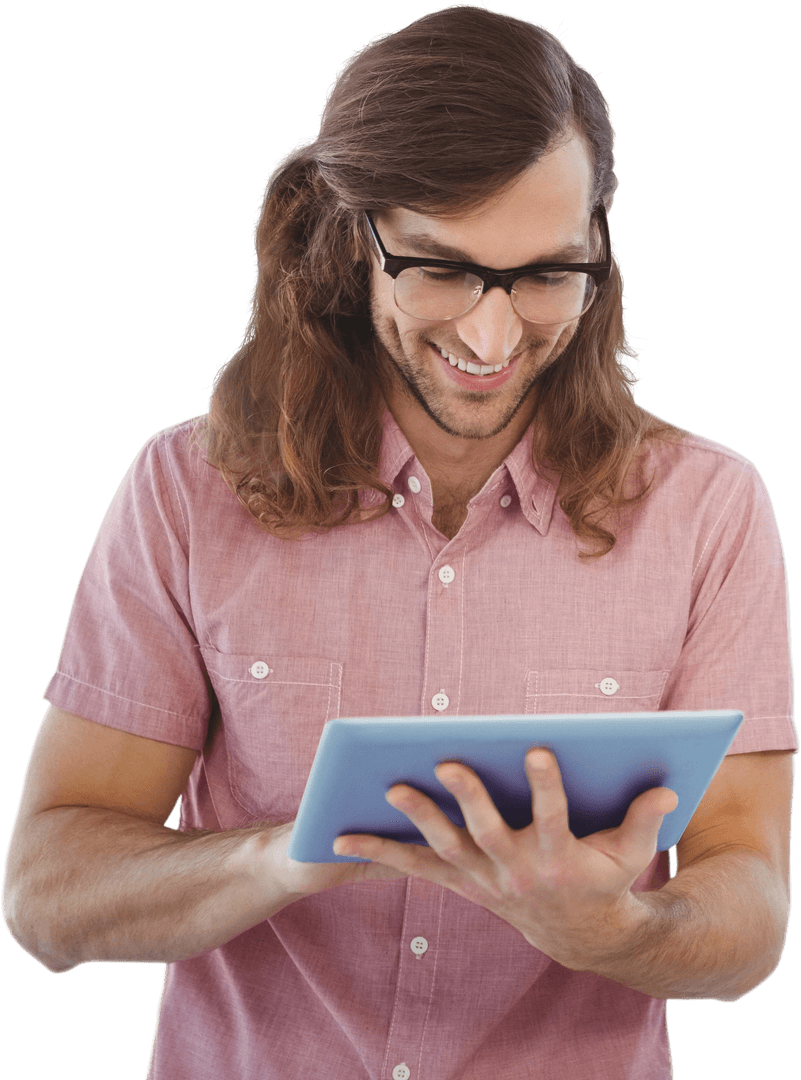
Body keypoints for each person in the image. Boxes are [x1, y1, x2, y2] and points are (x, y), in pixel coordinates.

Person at [2, 6, 796, 1079]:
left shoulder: (711, 508)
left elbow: (749, 906)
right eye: (442, 268)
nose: (491, 335)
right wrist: (282, 856)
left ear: (599, 241)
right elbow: (48, 898)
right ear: (351, 236)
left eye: (546, 275)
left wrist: (613, 931)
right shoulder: (186, 492)